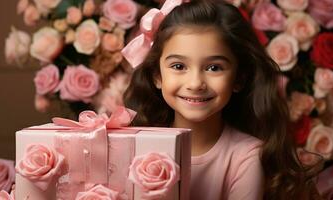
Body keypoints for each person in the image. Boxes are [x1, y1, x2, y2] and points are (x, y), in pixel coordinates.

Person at [123, 0, 321, 199]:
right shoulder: (132, 144)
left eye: (214, 68)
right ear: (157, 76)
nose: (195, 83)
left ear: (239, 78)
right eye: (178, 66)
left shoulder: (246, 156)